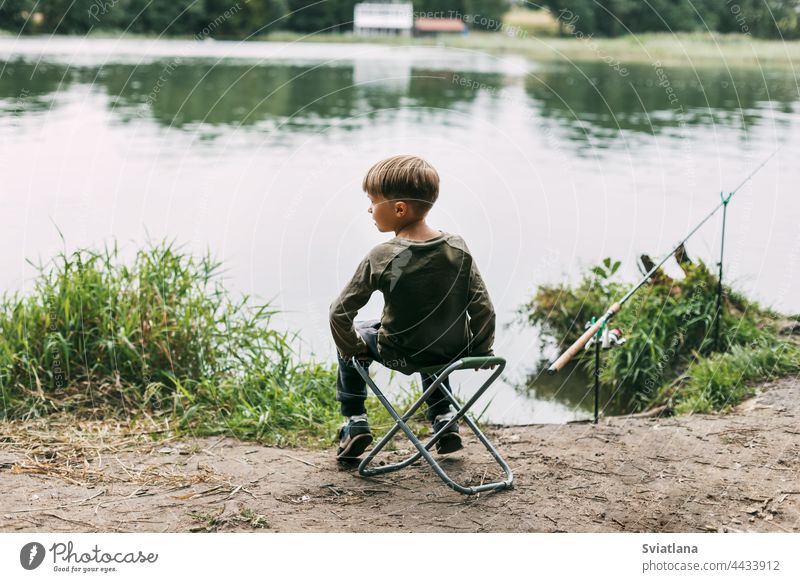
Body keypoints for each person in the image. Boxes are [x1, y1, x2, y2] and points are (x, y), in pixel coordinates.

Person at [329, 154, 496, 461]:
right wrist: (480, 352)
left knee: (356, 336)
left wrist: (354, 349)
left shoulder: (382, 256)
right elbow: (484, 309)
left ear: (399, 209)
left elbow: (339, 313)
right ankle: (444, 418)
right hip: (451, 353)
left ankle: (355, 422)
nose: (368, 208)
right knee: (436, 336)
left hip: (399, 354)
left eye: (372, 201)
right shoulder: (457, 248)